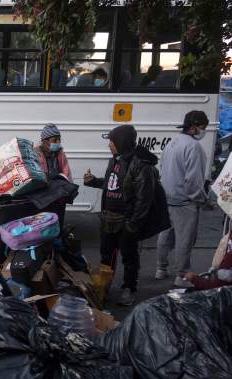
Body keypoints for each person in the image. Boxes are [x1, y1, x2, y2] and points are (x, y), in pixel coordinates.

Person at [83, 125, 160, 306]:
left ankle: (129, 288)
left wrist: (133, 224)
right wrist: (94, 181)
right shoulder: (115, 159)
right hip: (108, 218)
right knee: (106, 255)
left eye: (111, 141)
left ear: (121, 142)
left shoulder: (140, 164)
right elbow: (113, 184)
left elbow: (144, 199)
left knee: (129, 257)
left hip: (126, 220)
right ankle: (103, 287)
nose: (109, 145)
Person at [155, 110, 210, 287]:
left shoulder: (172, 143)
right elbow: (194, 181)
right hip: (185, 201)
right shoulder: (194, 147)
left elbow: (162, 168)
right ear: (194, 128)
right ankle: (182, 275)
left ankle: (160, 269)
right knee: (184, 239)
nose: (204, 131)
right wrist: (202, 199)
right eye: (203, 128)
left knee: (165, 234)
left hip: (167, 197)